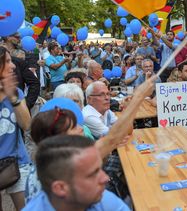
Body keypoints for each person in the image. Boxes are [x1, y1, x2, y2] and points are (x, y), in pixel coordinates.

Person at [26, 77, 156, 201]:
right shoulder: (64, 164)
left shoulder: (52, 156)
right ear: (57, 137)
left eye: (76, 101)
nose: (80, 129)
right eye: (73, 128)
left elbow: (107, 144)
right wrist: (138, 96)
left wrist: (107, 147)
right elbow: (111, 139)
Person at [23, 135, 130, 211]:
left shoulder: (102, 199)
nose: (105, 178)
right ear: (60, 188)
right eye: (93, 174)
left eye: (100, 169)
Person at [0, 45, 32, 211]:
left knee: (26, 207)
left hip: (17, 161)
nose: (12, 65)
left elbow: (26, 125)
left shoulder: (16, 92)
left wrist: (12, 97)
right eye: (7, 61)